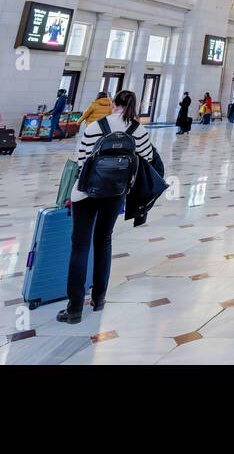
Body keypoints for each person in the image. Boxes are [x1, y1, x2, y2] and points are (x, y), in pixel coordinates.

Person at [57, 89, 154, 324]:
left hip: (86, 193)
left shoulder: (95, 127)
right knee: (104, 241)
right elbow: (147, 159)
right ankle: (99, 299)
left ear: (113, 105)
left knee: (80, 246)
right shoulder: (137, 130)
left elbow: (81, 160)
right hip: (116, 193)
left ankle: (75, 307)